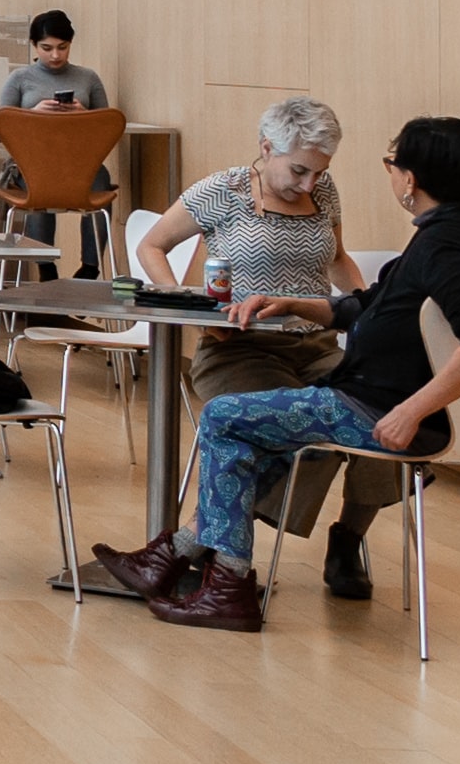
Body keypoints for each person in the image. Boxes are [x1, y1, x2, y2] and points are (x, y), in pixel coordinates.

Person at [93, 116, 460, 630]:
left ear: (409, 180)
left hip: (377, 405)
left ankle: (224, 587)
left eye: (392, 164)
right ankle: (176, 557)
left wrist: (412, 411)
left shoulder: (444, 248)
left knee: (227, 419)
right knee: (259, 431)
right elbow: (368, 307)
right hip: (365, 389)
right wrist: (292, 302)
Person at [127, 95, 399, 581]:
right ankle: (218, 553)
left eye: (319, 172)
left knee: (388, 408)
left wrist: (367, 309)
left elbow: (336, 259)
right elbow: (153, 245)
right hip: (240, 350)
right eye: (298, 171)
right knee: (300, 431)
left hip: (313, 345)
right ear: (266, 147)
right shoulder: (224, 189)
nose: (309, 183)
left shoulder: (325, 191)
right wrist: (185, 302)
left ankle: (347, 539)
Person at [0, 12, 114, 268]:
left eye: (62, 48)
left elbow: (106, 128)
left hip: (79, 163)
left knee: (101, 182)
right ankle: (45, 266)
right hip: (31, 162)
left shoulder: (88, 78)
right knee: (41, 186)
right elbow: (2, 130)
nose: (55, 55)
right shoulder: (19, 79)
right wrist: (32, 114)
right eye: (47, 48)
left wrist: (83, 115)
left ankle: (90, 268)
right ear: (34, 46)